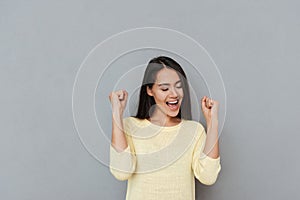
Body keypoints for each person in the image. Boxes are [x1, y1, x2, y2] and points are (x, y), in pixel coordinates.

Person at [108, 56, 221, 200]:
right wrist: (116, 113)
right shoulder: (130, 126)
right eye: (164, 88)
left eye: (179, 86)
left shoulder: (194, 131)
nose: (174, 94)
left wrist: (213, 123)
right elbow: (121, 172)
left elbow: (208, 176)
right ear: (150, 90)